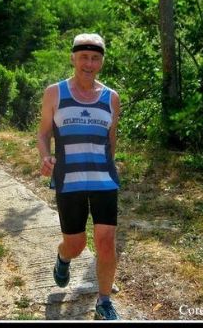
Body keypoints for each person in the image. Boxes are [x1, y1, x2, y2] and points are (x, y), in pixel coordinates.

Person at [37, 33, 121, 320]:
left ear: (101, 62)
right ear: (73, 58)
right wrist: (45, 156)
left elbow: (111, 139)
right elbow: (43, 133)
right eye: (84, 57)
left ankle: (104, 300)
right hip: (69, 178)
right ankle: (63, 257)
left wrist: (109, 167)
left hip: (103, 179)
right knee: (77, 244)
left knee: (106, 241)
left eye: (95, 58)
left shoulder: (111, 98)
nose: (89, 63)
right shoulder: (55, 93)